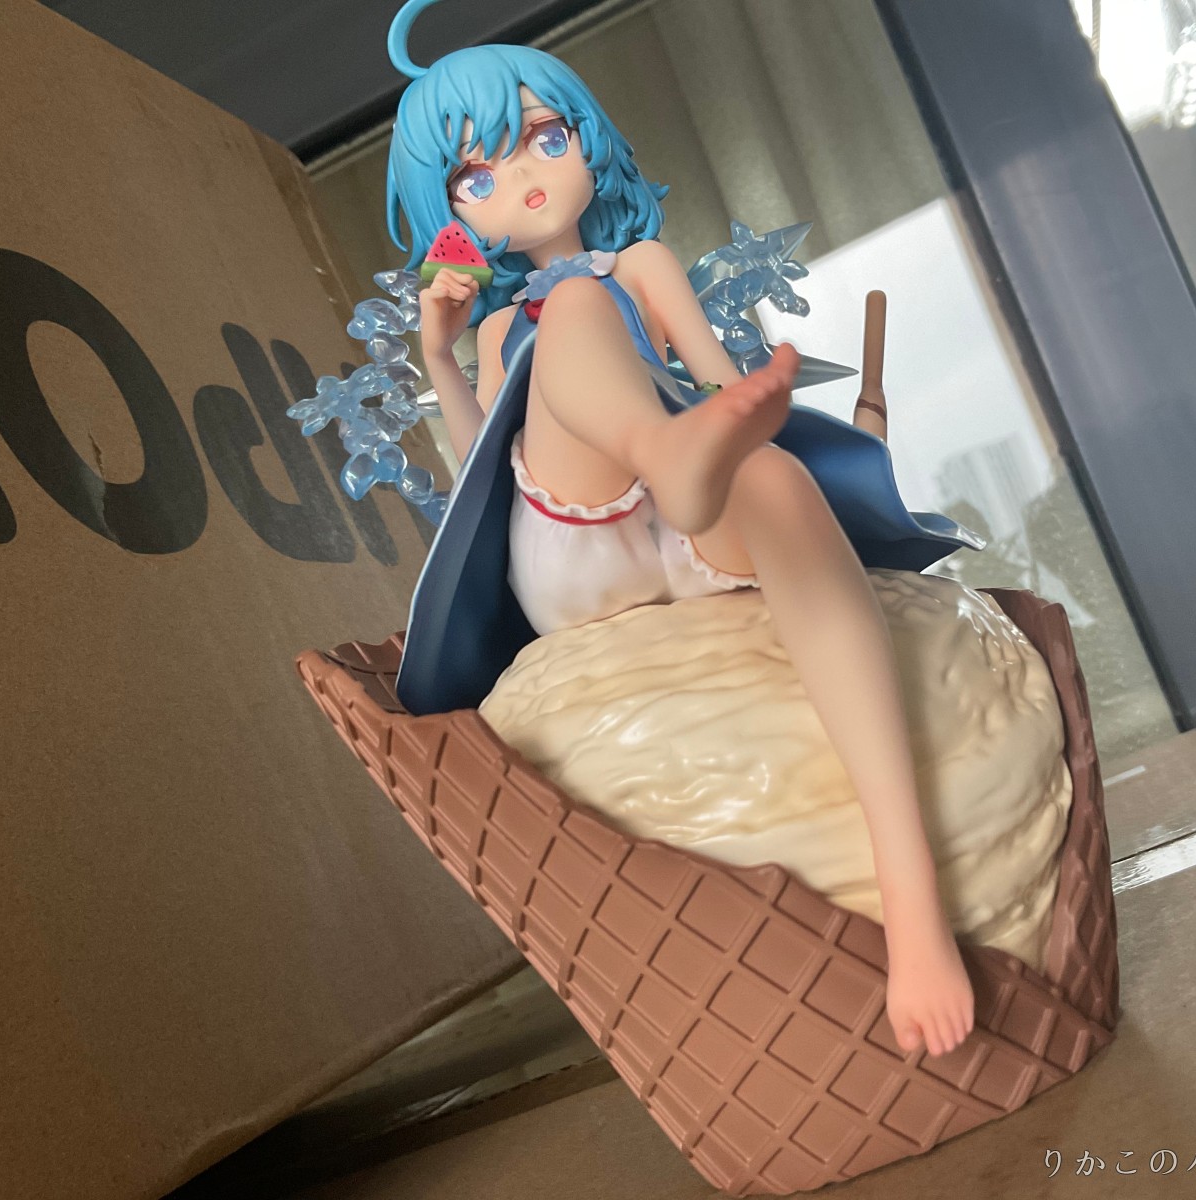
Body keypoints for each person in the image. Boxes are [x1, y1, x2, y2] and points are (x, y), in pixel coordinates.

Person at [385, 0, 983, 1059]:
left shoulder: (644, 266)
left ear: (589, 140)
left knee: (775, 476)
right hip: (575, 546)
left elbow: (718, 388)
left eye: (545, 140)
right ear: (452, 212)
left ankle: (913, 901)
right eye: (477, 177)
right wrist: (440, 355)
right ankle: (663, 452)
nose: (523, 179)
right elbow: (482, 475)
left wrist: (746, 437)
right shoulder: (502, 323)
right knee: (571, 311)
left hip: (689, 528)